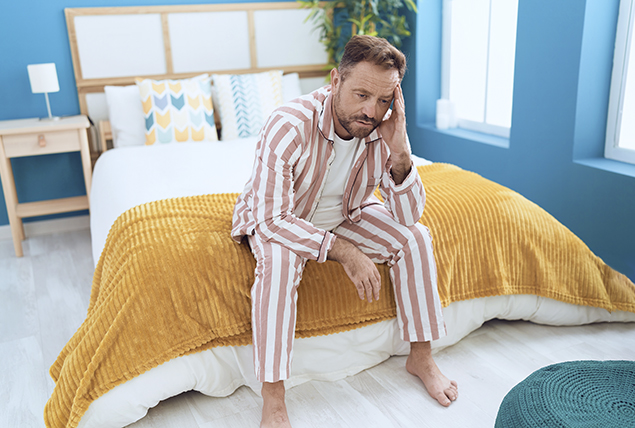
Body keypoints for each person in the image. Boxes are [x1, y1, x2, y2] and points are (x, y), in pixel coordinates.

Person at [231, 35, 458, 427]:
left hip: (347, 212)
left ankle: (421, 356)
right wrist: (344, 251)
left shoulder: (383, 129)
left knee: (416, 237)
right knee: (282, 263)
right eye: (361, 95)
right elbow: (271, 220)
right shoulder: (289, 125)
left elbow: (407, 214)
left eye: (384, 100)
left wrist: (401, 151)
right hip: (284, 216)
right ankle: (273, 396)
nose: (371, 111)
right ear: (335, 81)